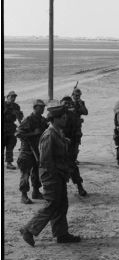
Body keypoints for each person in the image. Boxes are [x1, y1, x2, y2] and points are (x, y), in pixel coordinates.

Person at [19, 102, 82, 246]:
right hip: (52, 176)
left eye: (65, 117)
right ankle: (28, 229)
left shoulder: (57, 133)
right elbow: (45, 160)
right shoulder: (49, 135)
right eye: (62, 117)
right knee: (52, 204)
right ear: (54, 119)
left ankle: (61, 234)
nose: (65, 119)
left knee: (61, 204)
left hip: (59, 175)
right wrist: (54, 177)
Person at [16, 99, 49, 204]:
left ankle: (36, 192)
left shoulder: (42, 120)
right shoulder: (28, 120)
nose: (43, 109)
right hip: (27, 151)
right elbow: (18, 134)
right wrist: (32, 133)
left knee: (36, 173)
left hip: (38, 151)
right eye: (41, 107)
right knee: (25, 174)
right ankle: (24, 195)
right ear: (35, 108)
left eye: (43, 107)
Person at [61, 97, 88, 197]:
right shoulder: (56, 115)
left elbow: (77, 132)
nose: (67, 105)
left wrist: (74, 145)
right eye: (65, 103)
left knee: (72, 166)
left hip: (70, 145)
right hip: (57, 145)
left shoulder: (73, 116)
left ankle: (80, 187)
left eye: (69, 103)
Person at [3, 91, 24, 170]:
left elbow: (20, 118)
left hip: (11, 128)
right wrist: (7, 110)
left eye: (14, 97)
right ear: (7, 97)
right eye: (11, 97)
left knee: (10, 145)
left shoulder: (16, 106)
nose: (13, 98)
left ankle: (9, 162)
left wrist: (18, 114)